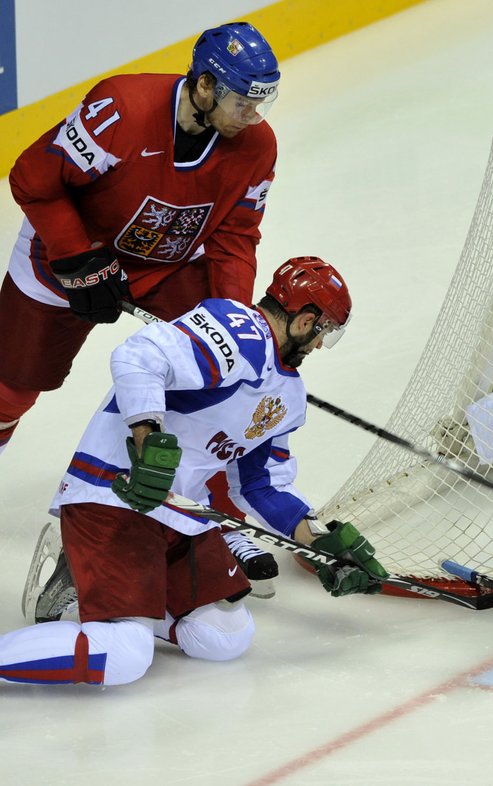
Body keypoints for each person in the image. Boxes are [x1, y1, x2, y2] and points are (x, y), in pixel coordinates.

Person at [1, 256, 388, 687]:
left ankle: (111, 601)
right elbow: (138, 355)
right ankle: (111, 613)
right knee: (124, 656)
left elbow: (262, 486)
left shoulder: (288, 397)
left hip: (181, 514)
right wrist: (148, 443)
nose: (320, 345)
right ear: (305, 320)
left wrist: (323, 543)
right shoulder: (238, 330)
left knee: (224, 636)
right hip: (118, 494)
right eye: (324, 332)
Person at [1, 21, 282, 581]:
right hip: (66, 257)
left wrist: (230, 323)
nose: (254, 117)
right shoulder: (120, 109)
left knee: (215, 376)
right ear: (204, 87)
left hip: (171, 265)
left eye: (262, 102)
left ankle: (214, 517)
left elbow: (234, 236)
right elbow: (33, 177)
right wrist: (75, 254)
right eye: (241, 103)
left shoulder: (257, 146)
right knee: (11, 387)